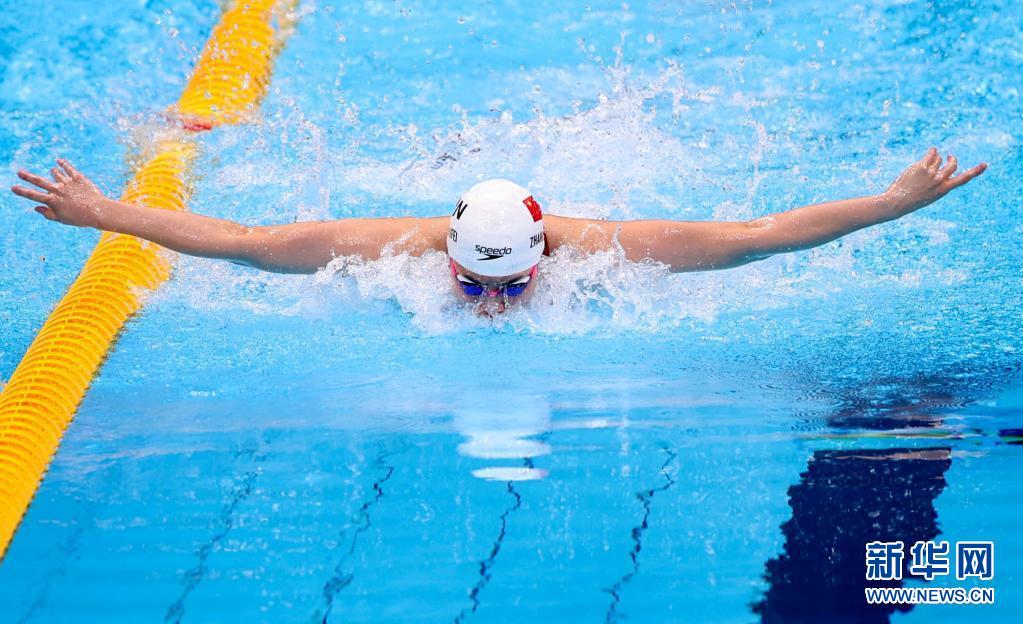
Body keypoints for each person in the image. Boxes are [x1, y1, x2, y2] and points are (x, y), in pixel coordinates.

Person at [10, 149, 985, 314]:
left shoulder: (600, 250)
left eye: (507, 286)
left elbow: (759, 234)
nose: (489, 304)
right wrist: (101, 212)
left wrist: (893, 205)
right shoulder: (379, 248)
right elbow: (236, 239)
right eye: (474, 286)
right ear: (445, 255)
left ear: (540, 255)